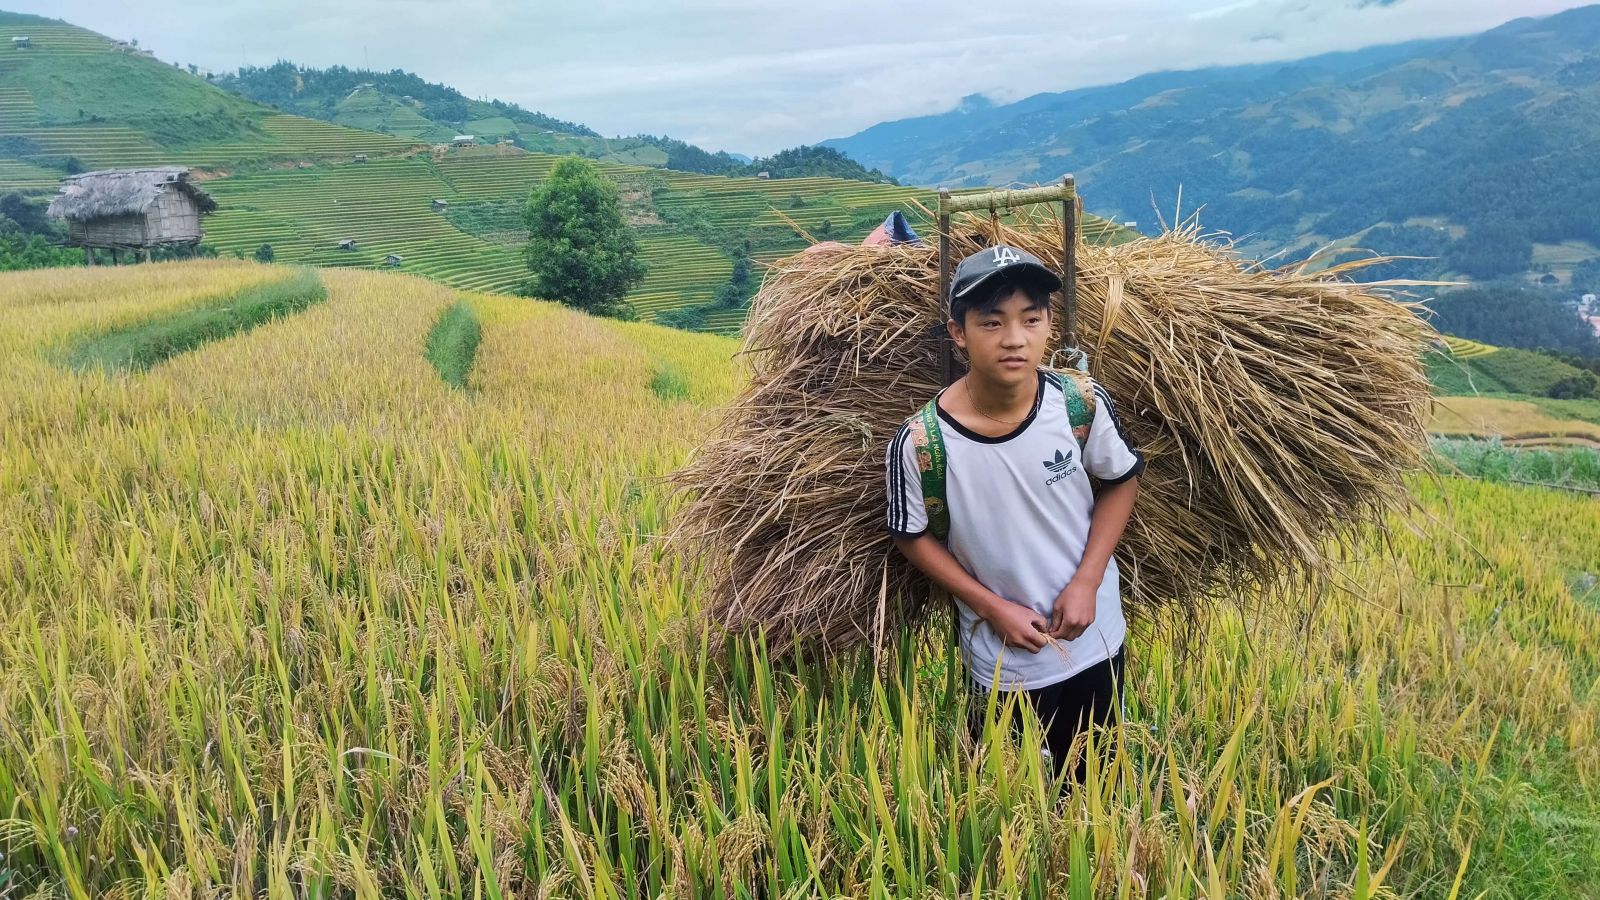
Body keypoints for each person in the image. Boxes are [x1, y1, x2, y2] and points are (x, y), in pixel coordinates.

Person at [883, 243, 1144, 787]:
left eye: (1031, 319)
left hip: (1095, 638)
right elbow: (912, 536)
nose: (1014, 339)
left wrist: (1088, 581)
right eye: (992, 322)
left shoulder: (1080, 404)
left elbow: (1120, 480)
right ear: (958, 334)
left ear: (1049, 325)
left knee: (1100, 785)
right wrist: (991, 605)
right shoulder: (922, 442)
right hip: (1003, 661)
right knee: (1009, 802)